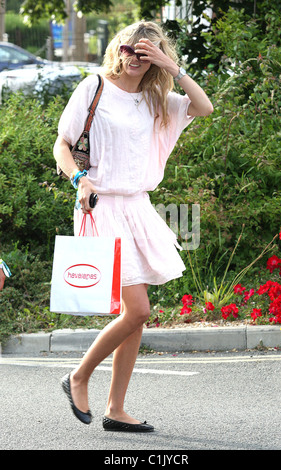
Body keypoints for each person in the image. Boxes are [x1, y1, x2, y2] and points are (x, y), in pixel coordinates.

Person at [53, 20, 213, 432]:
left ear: (156, 58)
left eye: (145, 53)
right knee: (138, 309)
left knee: (135, 314)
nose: (134, 57)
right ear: (116, 48)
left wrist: (171, 67)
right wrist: (79, 179)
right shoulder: (94, 87)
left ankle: (116, 408)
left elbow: (204, 107)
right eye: (128, 48)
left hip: (138, 208)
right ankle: (78, 377)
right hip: (100, 205)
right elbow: (63, 144)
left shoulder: (157, 100)